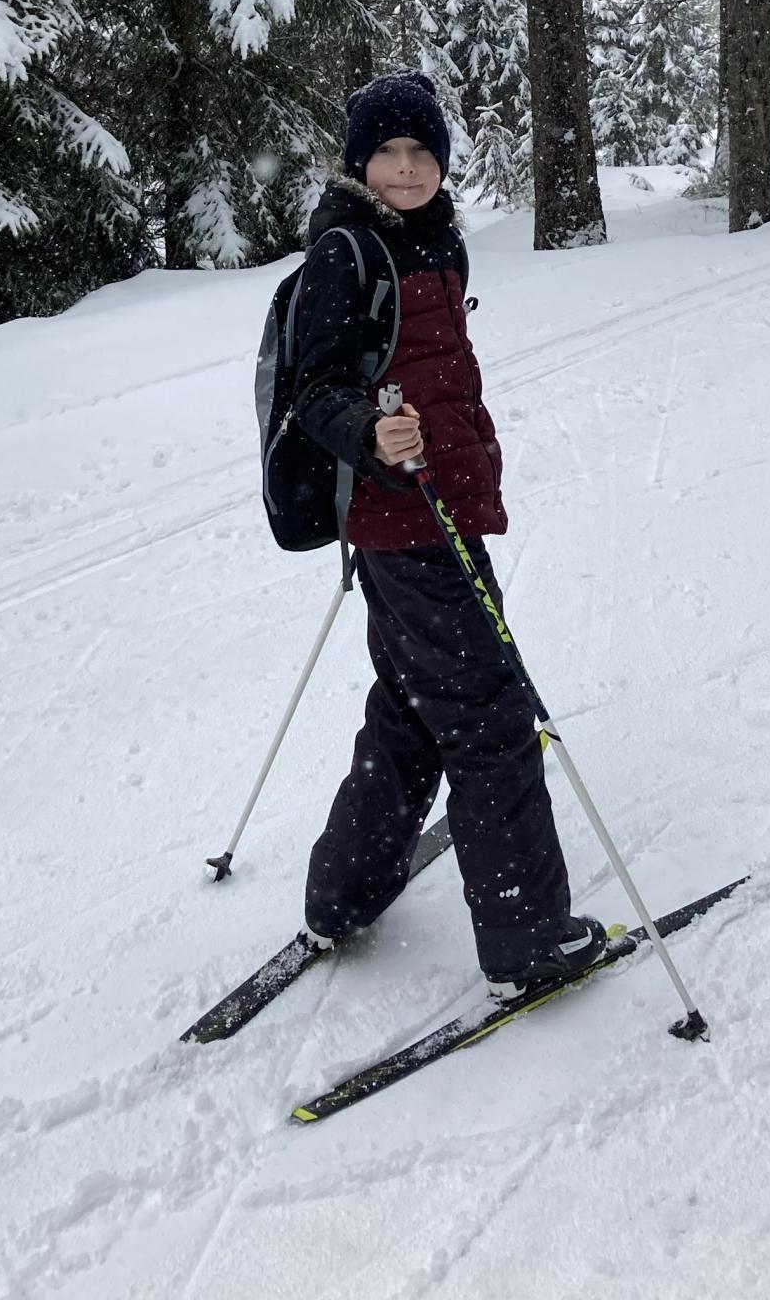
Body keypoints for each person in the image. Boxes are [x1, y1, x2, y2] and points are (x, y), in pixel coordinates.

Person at [288, 69, 606, 1003]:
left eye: (421, 152)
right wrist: (371, 435)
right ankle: (529, 940)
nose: (405, 167)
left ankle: (342, 894)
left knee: (416, 702)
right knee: (490, 716)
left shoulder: (434, 242)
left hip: (438, 513)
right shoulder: (347, 252)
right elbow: (318, 391)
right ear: (358, 164)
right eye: (386, 153)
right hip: (404, 513)